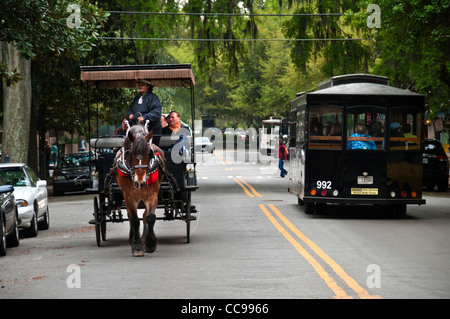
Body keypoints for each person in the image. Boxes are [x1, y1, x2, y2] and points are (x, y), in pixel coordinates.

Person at [127, 79, 162, 145]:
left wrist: (145, 117)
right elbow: (130, 109)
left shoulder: (153, 98)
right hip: (138, 128)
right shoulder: (136, 98)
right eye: (139, 85)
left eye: (142, 85)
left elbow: (157, 111)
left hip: (151, 128)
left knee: (152, 148)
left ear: (148, 86)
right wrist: (130, 114)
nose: (140, 86)